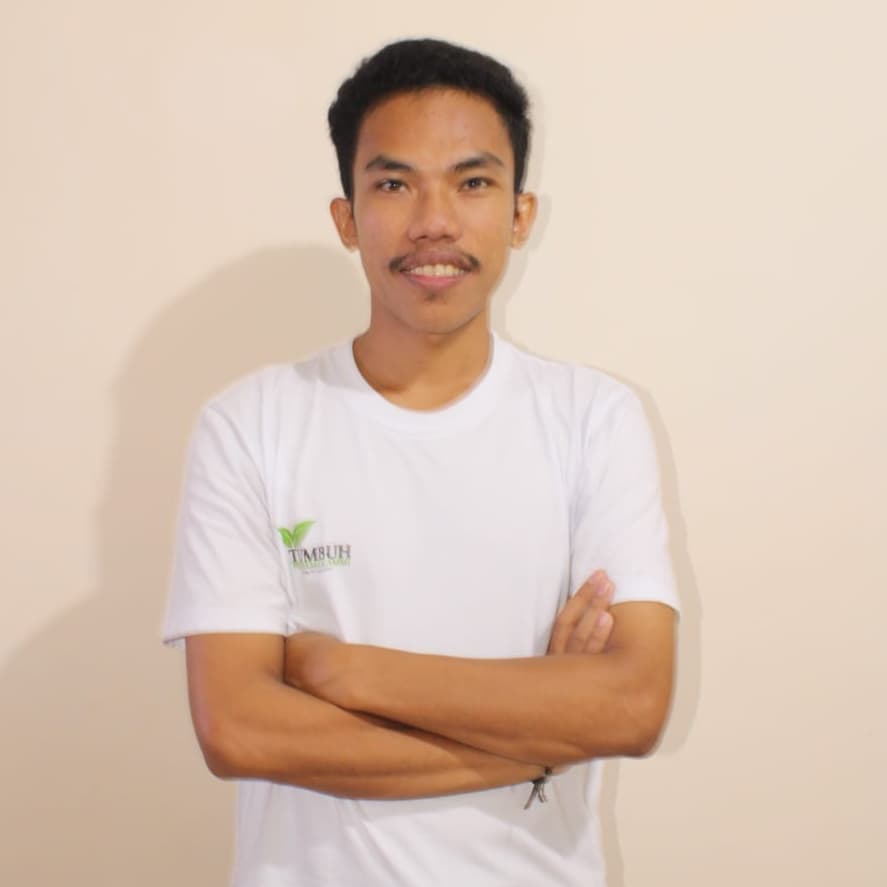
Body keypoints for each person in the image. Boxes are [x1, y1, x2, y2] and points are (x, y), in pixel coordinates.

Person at [164, 37, 678, 887]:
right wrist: (541, 733)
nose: (433, 220)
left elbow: (632, 705)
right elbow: (239, 729)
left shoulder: (594, 418)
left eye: (472, 182)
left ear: (520, 213)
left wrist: (340, 668)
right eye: (394, 183)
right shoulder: (250, 424)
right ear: (346, 218)